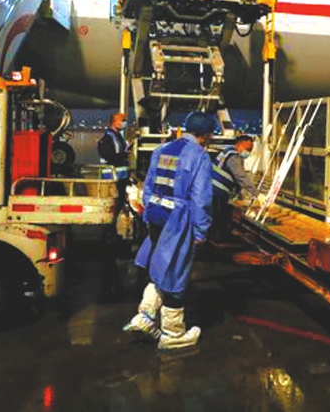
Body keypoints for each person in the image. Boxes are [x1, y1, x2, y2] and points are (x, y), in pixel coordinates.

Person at [123, 111, 215, 350]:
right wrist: (201, 231)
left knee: (159, 266)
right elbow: (202, 199)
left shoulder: (161, 150)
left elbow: (148, 186)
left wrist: (149, 214)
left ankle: (145, 314)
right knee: (175, 274)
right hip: (177, 220)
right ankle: (173, 334)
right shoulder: (199, 156)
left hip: (156, 216)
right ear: (206, 134)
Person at [211, 135, 257, 240]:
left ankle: (219, 236)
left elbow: (235, 179)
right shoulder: (233, 158)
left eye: (250, 150)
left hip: (213, 189)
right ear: (239, 145)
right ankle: (220, 239)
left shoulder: (227, 152)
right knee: (220, 216)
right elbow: (241, 176)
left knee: (218, 216)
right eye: (247, 149)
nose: (248, 152)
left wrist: (239, 194)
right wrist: (256, 194)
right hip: (218, 191)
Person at [97, 112, 130, 217]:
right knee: (114, 203)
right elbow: (109, 156)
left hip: (121, 176)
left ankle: (113, 223)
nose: (124, 123)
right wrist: (124, 154)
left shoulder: (118, 137)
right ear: (115, 122)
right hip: (112, 176)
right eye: (122, 120)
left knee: (120, 201)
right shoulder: (107, 138)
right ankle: (110, 224)